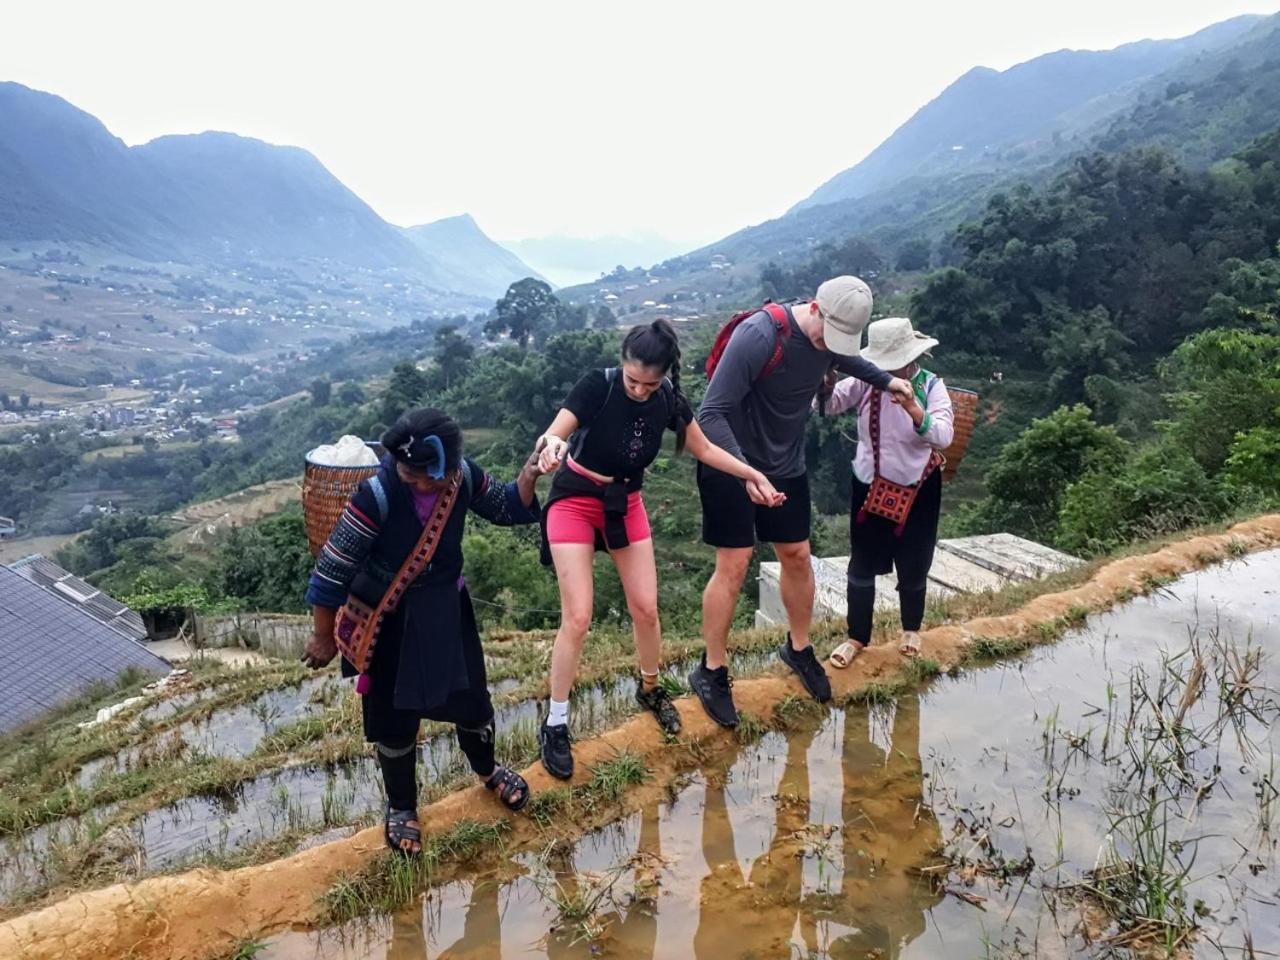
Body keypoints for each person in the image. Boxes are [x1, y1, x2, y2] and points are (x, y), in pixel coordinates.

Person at [534, 318, 784, 779]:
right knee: (579, 616)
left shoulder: (667, 398)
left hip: (625, 502)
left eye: (650, 383)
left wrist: (753, 475)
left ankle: (649, 689)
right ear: (622, 365)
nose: (640, 390)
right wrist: (551, 446)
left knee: (647, 609)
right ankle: (556, 721)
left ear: (665, 375)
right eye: (633, 380)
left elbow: (705, 449)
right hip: (575, 499)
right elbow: (556, 432)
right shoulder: (599, 386)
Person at [301, 408, 547, 856]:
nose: (413, 481)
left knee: (473, 702)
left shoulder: (463, 477)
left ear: (448, 468)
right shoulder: (375, 496)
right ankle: (401, 807)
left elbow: (508, 505)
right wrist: (322, 636)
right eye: (406, 472)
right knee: (395, 720)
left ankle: (488, 770)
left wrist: (529, 476)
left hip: (446, 613)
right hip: (390, 620)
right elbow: (332, 570)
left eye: (422, 476)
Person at [690, 276, 914, 727]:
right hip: (729, 462)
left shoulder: (833, 338)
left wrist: (888, 381)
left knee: (797, 556)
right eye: (825, 335)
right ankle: (711, 671)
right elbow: (709, 414)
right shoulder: (759, 336)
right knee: (733, 566)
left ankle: (798, 648)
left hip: (785, 462)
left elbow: (847, 359)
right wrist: (747, 472)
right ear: (814, 307)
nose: (828, 346)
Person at [823, 316, 953, 660]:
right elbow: (829, 404)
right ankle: (856, 638)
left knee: (914, 562)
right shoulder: (866, 382)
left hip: (919, 487)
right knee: (861, 565)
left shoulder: (931, 386)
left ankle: (911, 630)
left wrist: (913, 407)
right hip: (869, 485)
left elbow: (943, 436)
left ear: (910, 359)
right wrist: (825, 384)